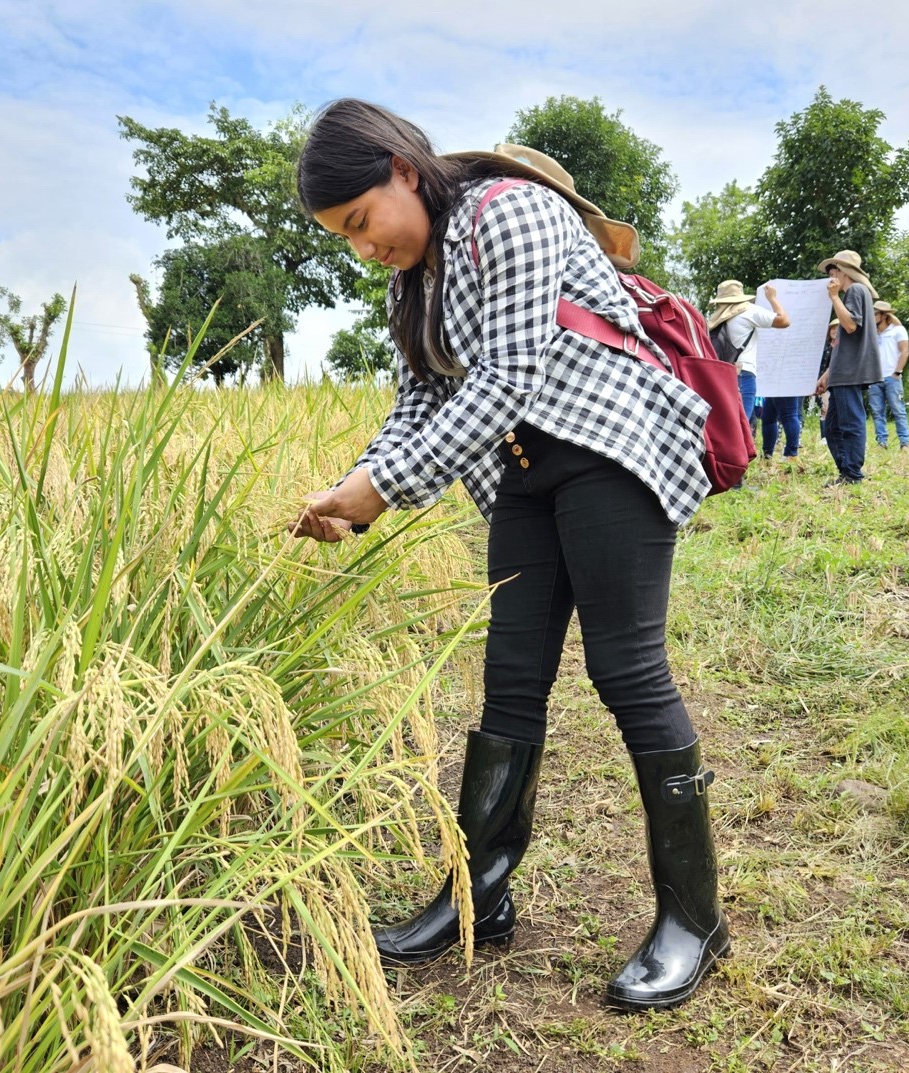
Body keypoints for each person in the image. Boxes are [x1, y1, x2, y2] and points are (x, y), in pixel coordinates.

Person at [289, 98, 729, 1011]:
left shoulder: (511, 211)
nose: (363, 247)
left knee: (625, 668)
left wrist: (385, 489)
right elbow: (416, 406)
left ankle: (694, 918)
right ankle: (475, 895)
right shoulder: (408, 283)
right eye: (343, 237)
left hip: (612, 453)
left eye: (363, 221)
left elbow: (509, 374)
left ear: (403, 169)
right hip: (521, 476)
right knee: (509, 677)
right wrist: (354, 486)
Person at [814, 251, 881, 485]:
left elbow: (851, 325)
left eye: (833, 273)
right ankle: (845, 471)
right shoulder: (854, 294)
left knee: (851, 423)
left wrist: (834, 297)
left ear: (844, 272)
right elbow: (843, 344)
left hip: (850, 372)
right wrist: (826, 375)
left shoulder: (855, 290)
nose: (831, 278)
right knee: (831, 427)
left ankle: (853, 474)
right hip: (842, 372)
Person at [705, 280, 790, 426]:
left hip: (722, 374)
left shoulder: (715, 319)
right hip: (744, 374)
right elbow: (784, 321)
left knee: (727, 423)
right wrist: (772, 298)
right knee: (740, 425)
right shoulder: (748, 311)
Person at [867, 300, 909, 449]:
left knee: (898, 410)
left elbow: (904, 351)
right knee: (877, 412)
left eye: (875, 314)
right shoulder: (872, 333)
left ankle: (904, 442)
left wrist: (897, 372)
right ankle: (881, 442)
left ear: (883, 315)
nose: (872, 317)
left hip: (892, 376)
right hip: (874, 377)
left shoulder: (898, 330)